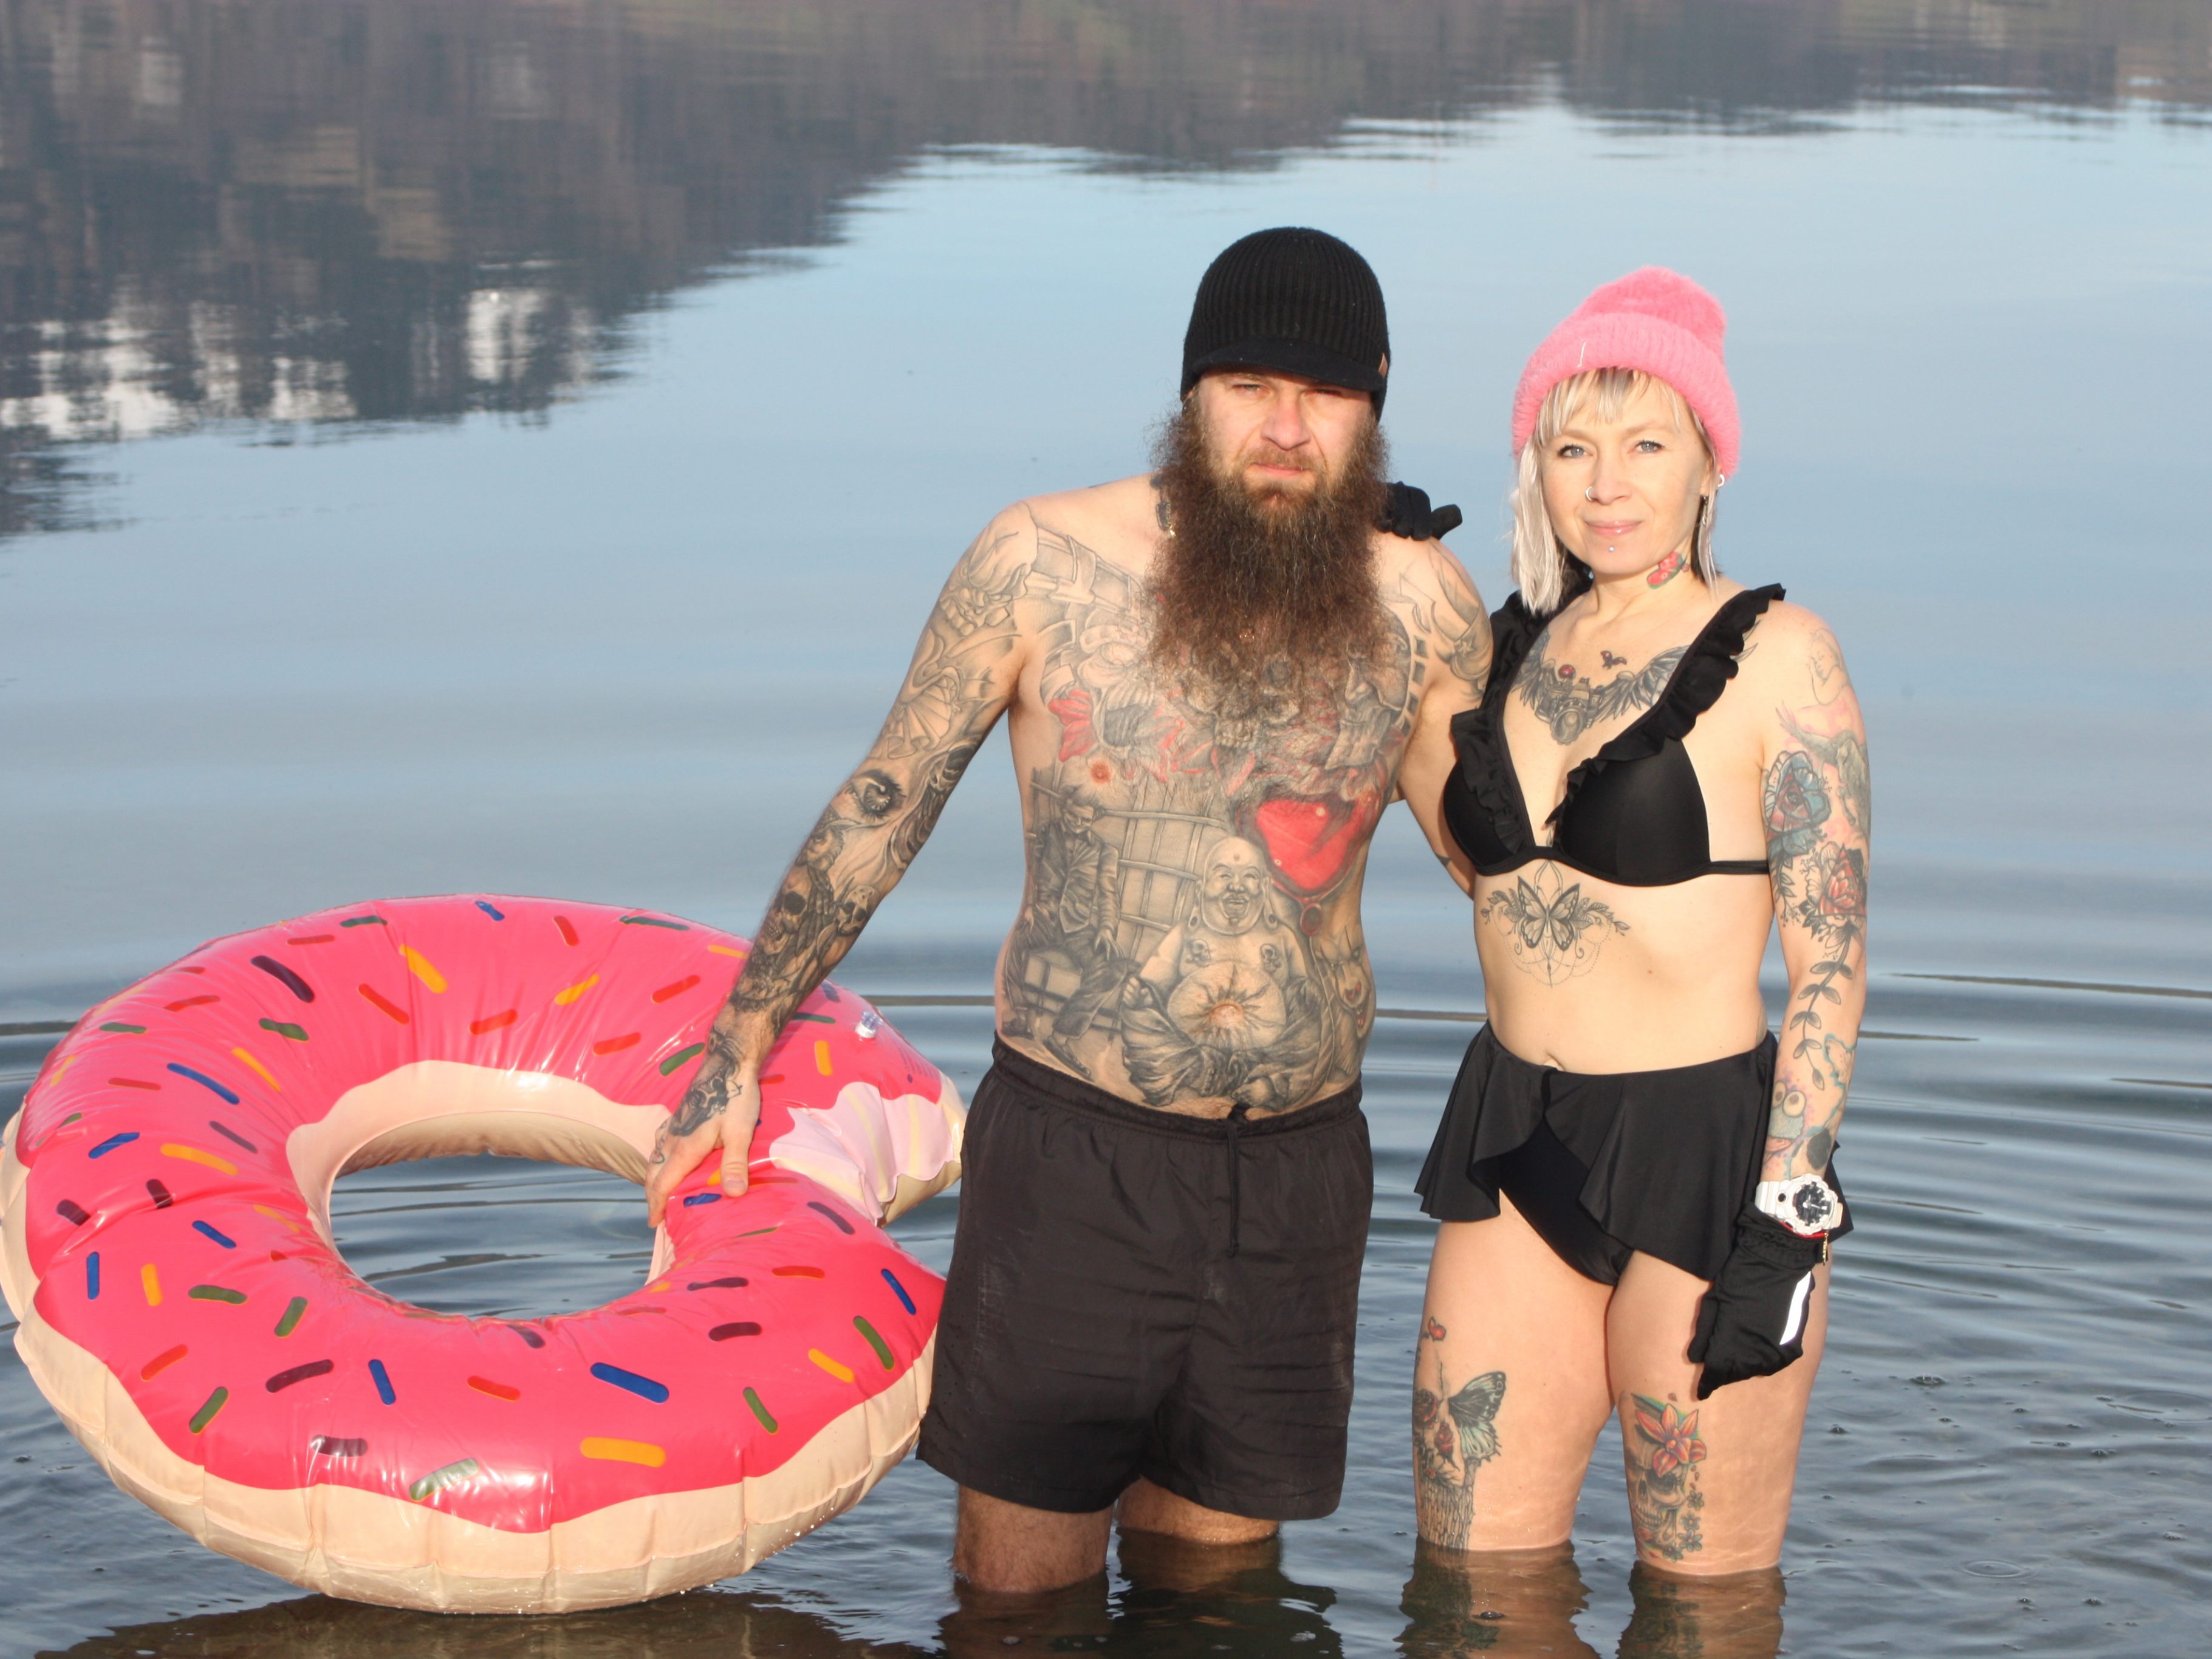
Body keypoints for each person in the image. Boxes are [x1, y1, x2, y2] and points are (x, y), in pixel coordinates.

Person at [645, 227, 1493, 1592]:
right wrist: (738, 1044)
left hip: (1291, 1179)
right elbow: (890, 797)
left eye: (1326, 397)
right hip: (1076, 1166)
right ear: (1190, 394)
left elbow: (1494, 864)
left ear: (1374, 416)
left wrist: (1531, 655)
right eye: (1250, 386)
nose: (1285, 428)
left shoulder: (1419, 604)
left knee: (1219, 1609)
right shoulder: (1039, 562)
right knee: (1015, 1606)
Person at [1395, 268, 1869, 1576]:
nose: (1607, 483)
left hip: (1710, 1159)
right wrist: (1374, 585)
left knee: (1700, 1606)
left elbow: (1830, 964)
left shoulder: (1782, 658)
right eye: (1572, 446)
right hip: (1513, 1133)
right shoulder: (1497, 652)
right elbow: (1489, 880)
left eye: (1646, 444)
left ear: (1709, 463)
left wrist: (1791, 1212)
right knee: (1471, 1589)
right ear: (1534, 468)